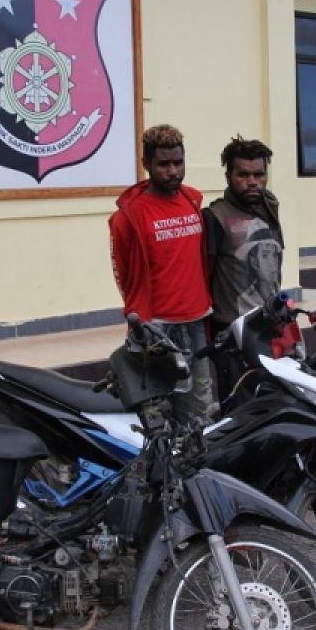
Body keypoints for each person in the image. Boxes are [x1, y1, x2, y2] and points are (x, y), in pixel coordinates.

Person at [108, 124, 216, 421]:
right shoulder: (129, 217)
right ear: (146, 165)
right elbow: (124, 273)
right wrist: (140, 322)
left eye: (178, 163)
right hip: (156, 330)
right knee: (159, 414)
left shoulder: (193, 200)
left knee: (199, 411)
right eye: (163, 164)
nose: (173, 172)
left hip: (196, 322)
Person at [203, 136, 284, 396]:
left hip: (271, 328)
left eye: (259, 174)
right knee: (240, 410)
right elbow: (205, 274)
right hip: (234, 335)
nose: (252, 182)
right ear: (228, 176)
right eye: (243, 174)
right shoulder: (215, 216)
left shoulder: (270, 208)